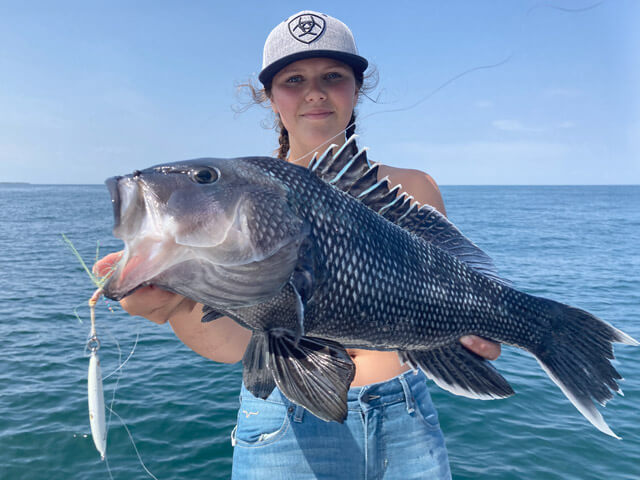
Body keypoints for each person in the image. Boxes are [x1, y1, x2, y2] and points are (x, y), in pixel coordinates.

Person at [95, 10, 501, 479]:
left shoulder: (415, 188)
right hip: (285, 423)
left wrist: (475, 336)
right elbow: (235, 346)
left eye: (333, 76)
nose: (315, 91)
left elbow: (451, 299)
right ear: (270, 97)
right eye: (294, 79)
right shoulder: (234, 206)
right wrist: (173, 309)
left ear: (356, 88)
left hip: (406, 415)